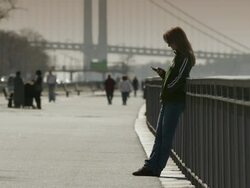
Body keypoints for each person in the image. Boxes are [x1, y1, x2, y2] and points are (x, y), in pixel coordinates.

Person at [133, 26, 195, 177]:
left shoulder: (185, 57)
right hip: (168, 101)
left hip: (174, 102)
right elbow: (174, 78)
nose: (168, 45)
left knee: (165, 138)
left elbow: (179, 79)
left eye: (169, 42)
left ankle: (155, 168)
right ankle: (150, 165)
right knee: (160, 136)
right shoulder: (178, 56)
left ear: (177, 40)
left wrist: (167, 87)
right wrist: (164, 74)